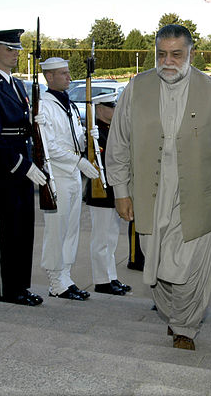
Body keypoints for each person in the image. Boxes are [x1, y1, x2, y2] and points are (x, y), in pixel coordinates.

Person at [106, 24, 211, 351]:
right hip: (150, 196)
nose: (168, 61)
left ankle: (185, 326)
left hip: (204, 198)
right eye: (161, 54)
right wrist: (121, 191)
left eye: (176, 54)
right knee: (155, 266)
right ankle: (175, 315)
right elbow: (117, 145)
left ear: (191, 53)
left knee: (190, 271)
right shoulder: (134, 88)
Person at [0, 29, 44, 307]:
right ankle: (6, 288)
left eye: (16, 50)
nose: (15, 54)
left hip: (22, 162)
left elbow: (23, 127)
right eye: (9, 49)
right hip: (6, 168)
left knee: (24, 228)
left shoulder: (16, 84)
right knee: (7, 230)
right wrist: (22, 165)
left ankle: (21, 286)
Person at [37, 57, 98, 301]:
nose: (69, 78)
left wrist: (88, 138)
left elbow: (74, 138)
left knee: (72, 229)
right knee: (57, 230)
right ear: (49, 77)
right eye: (63, 74)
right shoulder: (44, 106)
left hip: (72, 175)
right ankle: (55, 281)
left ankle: (66, 277)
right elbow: (49, 145)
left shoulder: (69, 105)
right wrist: (78, 161)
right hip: (58, 175)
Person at [83, 91, 132, 296]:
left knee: (111, 238)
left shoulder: (111, 130)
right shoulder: (94, 132)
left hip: (112, 192)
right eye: (110, 107)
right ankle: (101, 280)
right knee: (102, 238)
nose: (114, 110)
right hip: (100, 192)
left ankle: (110, 276)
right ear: (99, 109)